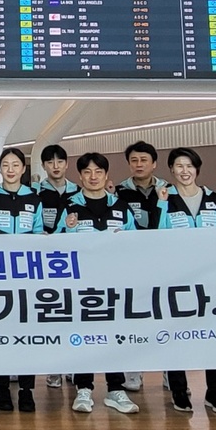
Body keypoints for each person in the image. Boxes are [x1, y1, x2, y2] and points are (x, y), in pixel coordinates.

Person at [155, 146, 216, 414]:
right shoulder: (165, 198)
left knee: (214, 335)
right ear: (171, 170)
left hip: (212, 279)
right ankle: (179, 391)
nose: (185, 171)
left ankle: (215, 393)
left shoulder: (212, 198)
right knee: (176, 334)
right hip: (176, 278)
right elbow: (155, 235)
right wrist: (161, 203)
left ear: (197, 169)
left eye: (189, 166)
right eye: (179, 166)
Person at [57, 152, 139, 415]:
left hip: (115, 283)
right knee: (84, 335)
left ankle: (116, 389)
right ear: (80, 176)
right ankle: (84, 388)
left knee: (114, 335)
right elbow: (54, 246)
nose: (93, 177)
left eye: (98, 172)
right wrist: (68, 228)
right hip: (81, 285)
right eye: (87, 172)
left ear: (106, 175)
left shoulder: (121, 207)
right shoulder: (70, 207)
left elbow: (137, 243)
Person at [0, 147, 43, 412]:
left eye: (15, 165)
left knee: (27, 334)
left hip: (26, 276)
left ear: (23, 169)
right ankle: (2, 388)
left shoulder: (34, 199)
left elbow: (39, 232)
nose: (10, 169)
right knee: (0, 332)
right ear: (0, 169)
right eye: (5, 165)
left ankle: (27, 390)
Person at [111, 141, 169, 393]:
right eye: (134, 160)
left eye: (144, 160)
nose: (139, 164)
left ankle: (170, 372)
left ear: (154, 163)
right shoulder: (119, 192)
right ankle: (133, 372)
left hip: (163, 261)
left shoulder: (168, 190)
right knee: (133, 316)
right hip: (130, 264)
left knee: (165, 315)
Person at [37, 144, 79, 235]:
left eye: (60, 162)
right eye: (50, 162)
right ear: (43, 166)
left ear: (66, 164)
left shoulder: (77, 192)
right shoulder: (37, 193)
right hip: (44, 242)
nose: (56, 166)